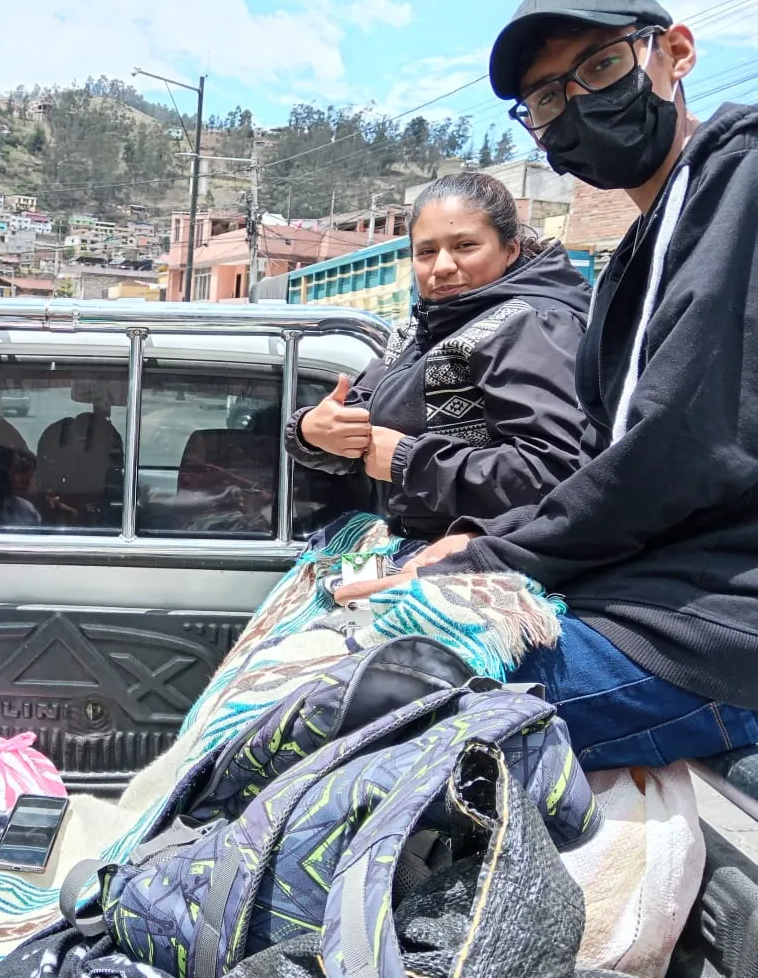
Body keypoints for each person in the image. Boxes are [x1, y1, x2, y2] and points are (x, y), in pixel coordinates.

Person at [337, 0, 758, 772]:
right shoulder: (439, 334)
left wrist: (453, 515)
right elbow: (510, 455)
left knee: (378, 710)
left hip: (711, 620)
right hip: (626, 579)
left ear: (675, 53)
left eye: (601, 68)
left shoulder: (526, 323)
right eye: (547, 99)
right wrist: (318, 436)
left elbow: (617, 459)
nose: (441, 267)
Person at [286, 171, 590, 540]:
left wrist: (408, 462)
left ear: (509, 249)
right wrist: (311, 430)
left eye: (465, 246)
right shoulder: (426, 328)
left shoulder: (530, 325)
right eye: (427, 252)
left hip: (490, 557)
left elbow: (558, 472)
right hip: (419, 544)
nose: (443, 266)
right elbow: (357, 418)